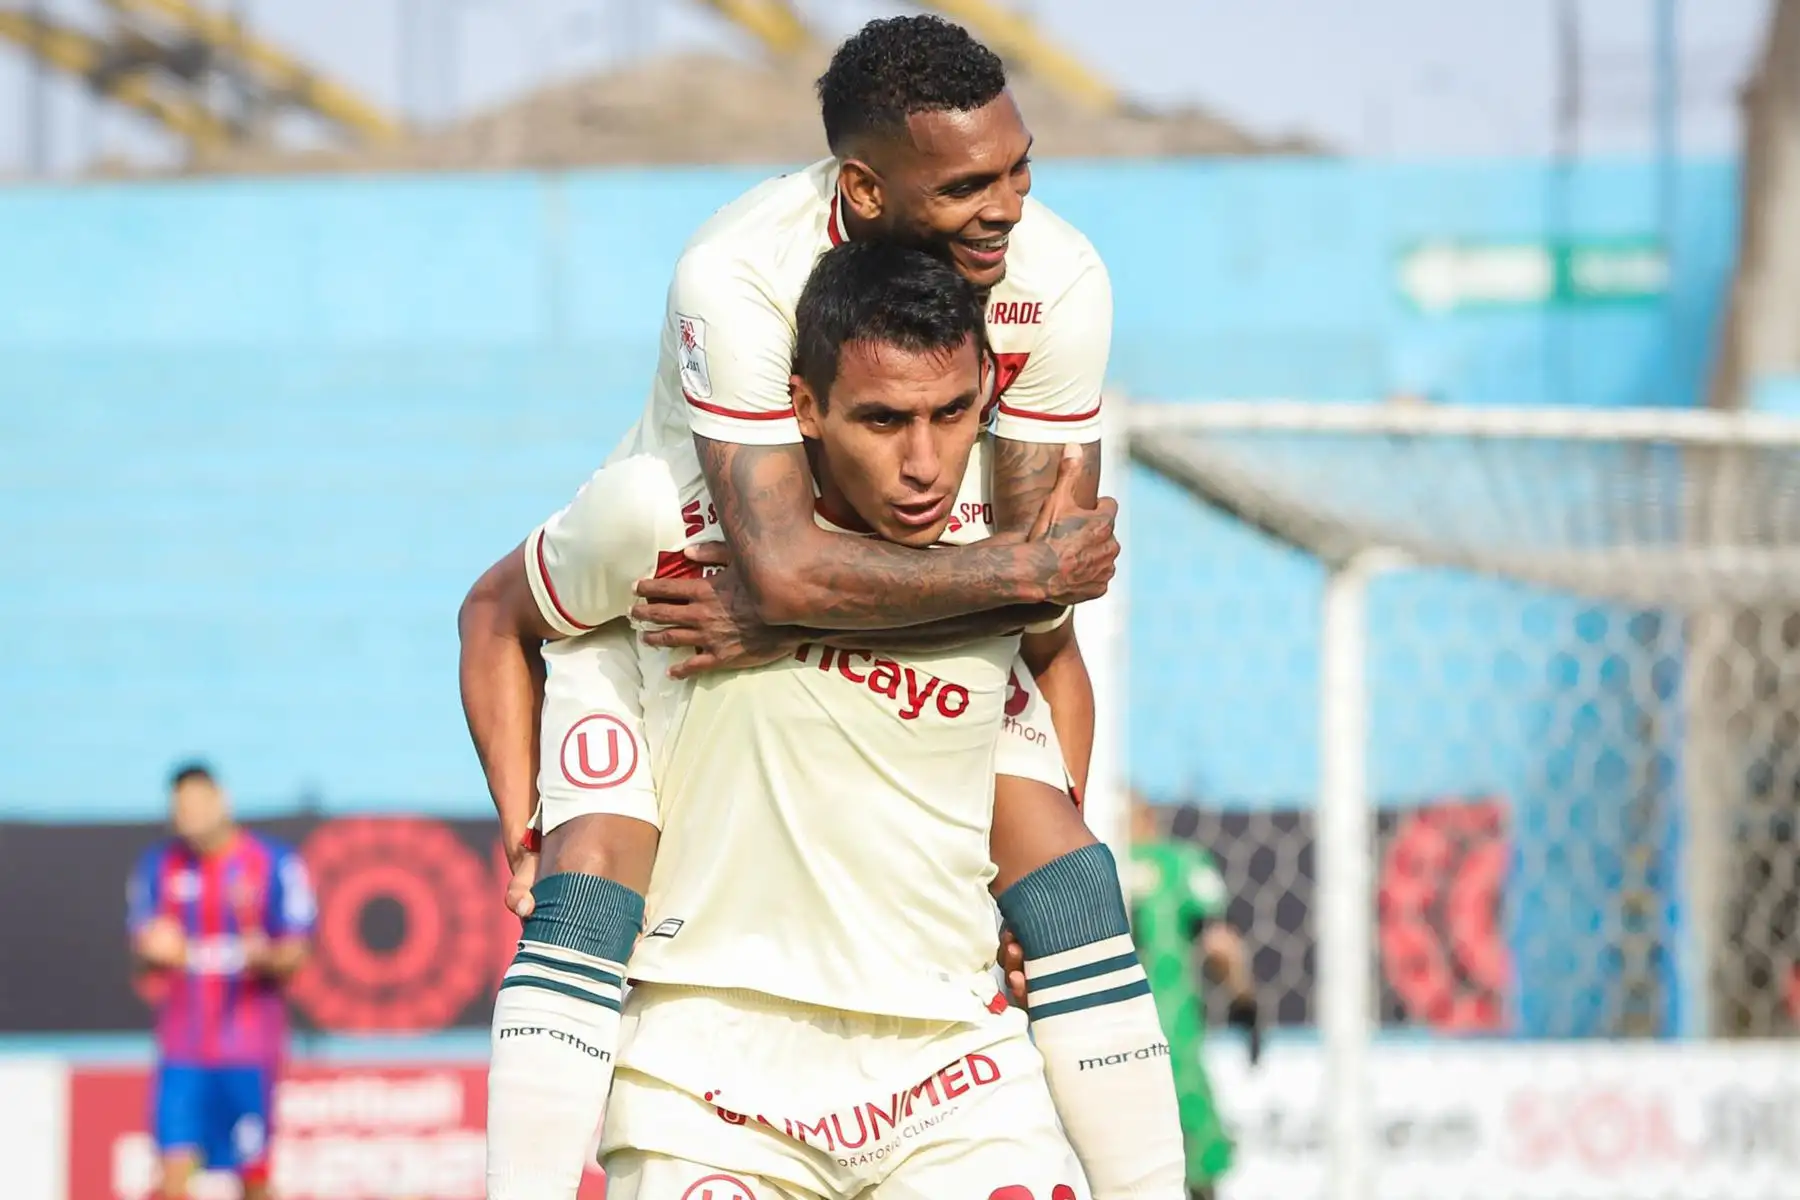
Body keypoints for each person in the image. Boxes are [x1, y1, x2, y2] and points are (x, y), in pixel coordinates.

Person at [461, 16, 1183, 1200]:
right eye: (966, 187)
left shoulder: (1058, 282)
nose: (1007, 209)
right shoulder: (738, 276)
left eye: (1019, 169)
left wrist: (1020, 849)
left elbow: (1036, 602)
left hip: (875, 604)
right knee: (588, 879)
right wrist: (523, 828)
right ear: (864, 188)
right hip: (676, 606)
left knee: (1070, 879)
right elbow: (793, 568)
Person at [126, 762, 316, 1200]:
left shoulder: (273, 863)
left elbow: (297, 953)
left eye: (197, 805)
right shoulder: (159, 867)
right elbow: (142, 957)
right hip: (182, 1049)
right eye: (180, 809)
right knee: (172, 1177)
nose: (189, 817)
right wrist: (151, 951)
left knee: (254, 1179)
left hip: (248, 1050)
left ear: (221, 801)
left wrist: (264, 956)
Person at [1127, 796, 1262, 1200]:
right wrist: (1245, 1001)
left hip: (1094, 1032)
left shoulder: (1083, 866)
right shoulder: (1178, 864)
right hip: (1171, 1035)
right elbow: (1221, 944)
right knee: (1194, 1157)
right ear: (1149, 817)